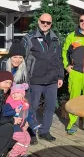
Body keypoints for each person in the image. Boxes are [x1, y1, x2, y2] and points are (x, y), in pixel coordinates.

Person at [22, 13, 65, 143]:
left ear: (51, 24)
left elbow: (59, 59)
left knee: (50, 107)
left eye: (48, 23)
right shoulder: (29, 38)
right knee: (32, 107)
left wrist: (60, 76)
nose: (45, 24)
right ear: (38, 21)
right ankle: (31, 133)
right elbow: (22, 59)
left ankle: (45, 131)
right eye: (43, 22)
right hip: (35, 79)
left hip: (52, 79)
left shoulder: (55, 39)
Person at [2, 83, 40, 157]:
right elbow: (4, 113)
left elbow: (29, 115)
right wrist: (14, 111)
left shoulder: (24, 104)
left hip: (21, 127)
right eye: (13, 93)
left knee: (28, 137)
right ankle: (12, 156)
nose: (15, 95)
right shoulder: (9, 104)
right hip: (12, 127)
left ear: (22, 94)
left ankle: (21, 153)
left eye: (17, 93)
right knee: (22, 138)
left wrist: (34, 124)